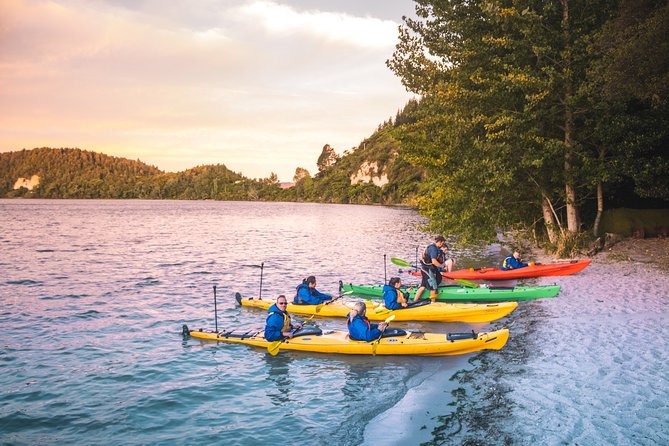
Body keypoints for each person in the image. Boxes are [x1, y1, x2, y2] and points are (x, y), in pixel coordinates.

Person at [413, 235, 449, 302]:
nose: (441, 244)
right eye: (440, 243)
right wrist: (442, 267)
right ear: (436, 241)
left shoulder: (437, 249)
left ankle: (415, 301)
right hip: (427, 269)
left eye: (442, 243)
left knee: (423, 286)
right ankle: (433, 303)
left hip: (428, 268)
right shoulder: (433, 249)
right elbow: (434, 261)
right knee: (433, 286)